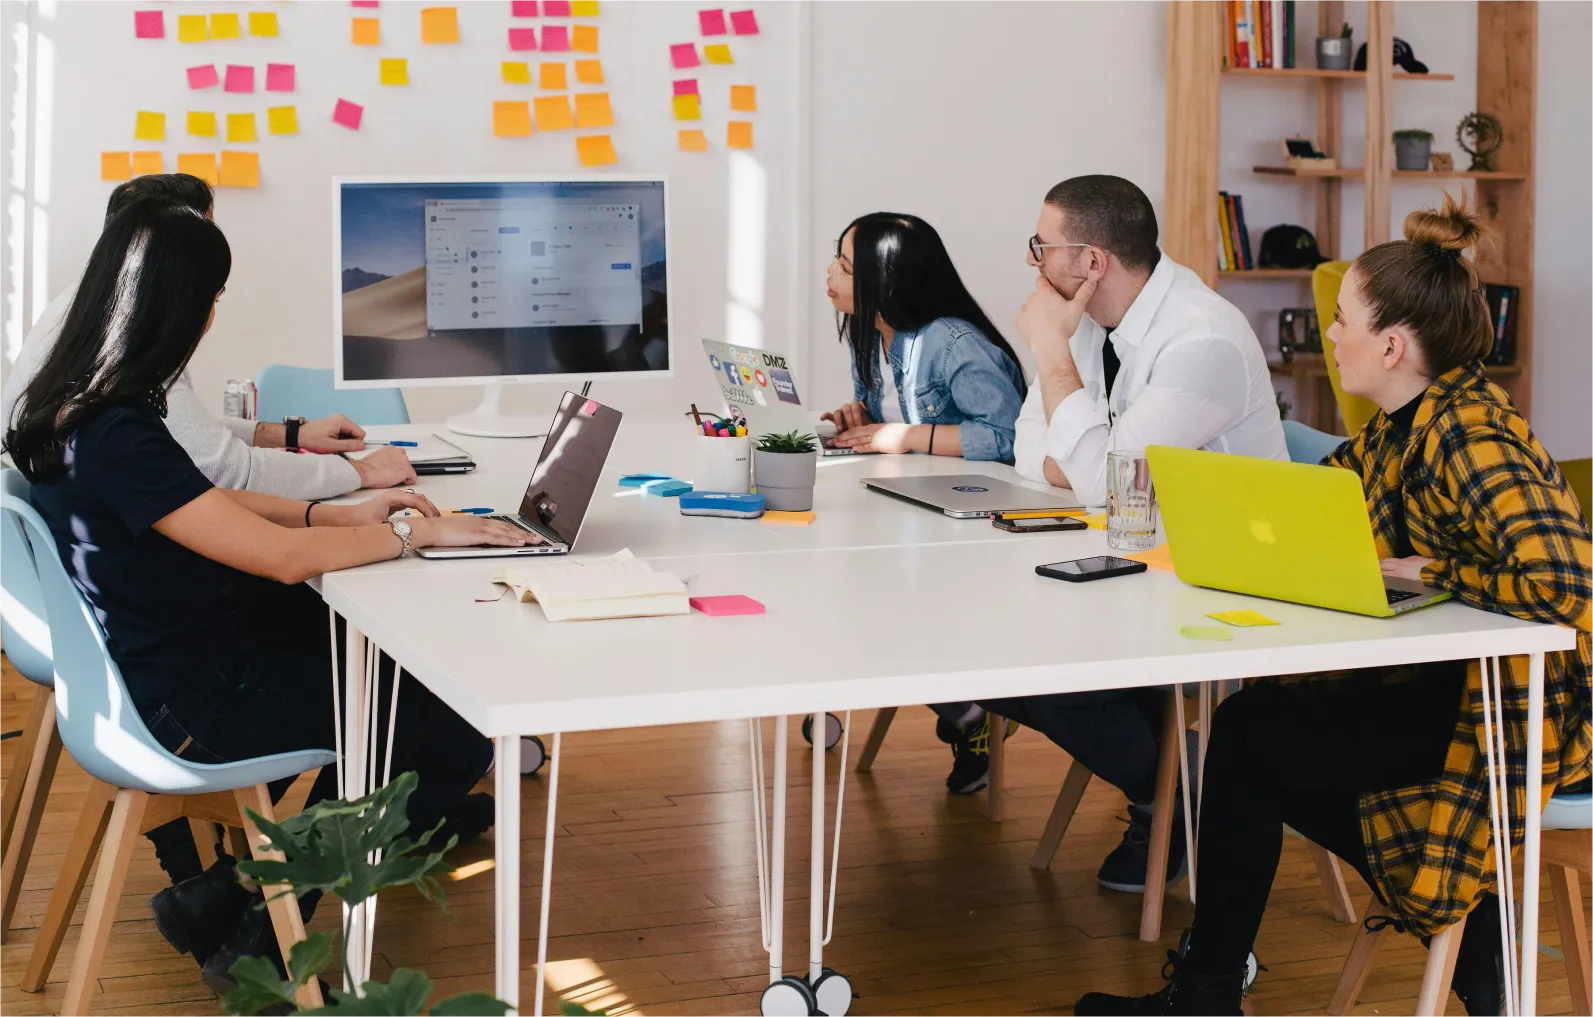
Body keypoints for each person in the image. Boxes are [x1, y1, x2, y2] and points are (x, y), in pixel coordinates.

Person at [1075, 193, 1593, 1017]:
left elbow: (1570, 582)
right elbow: (1319, 505)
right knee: (1255, 736)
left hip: (1514, 706)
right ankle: (1471, 945)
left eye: (1342, 320)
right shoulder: (1398, 426)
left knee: (1251, 739)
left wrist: (1432, 566)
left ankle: (1228, 992)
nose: (1329, 333)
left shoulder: (1469, 432)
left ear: (1390, 344)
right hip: (1448, 681)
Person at [2, 201, 538, 990]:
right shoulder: (121, 430)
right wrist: (410, 535)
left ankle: (230, 893)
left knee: (389, 686)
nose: (216, 314)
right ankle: (251, 924)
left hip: (153, 669)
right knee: (441, 724)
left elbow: (217, 508)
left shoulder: (73, 409)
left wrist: (341, 511)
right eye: (214, 298)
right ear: (184, 305)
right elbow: (283, 558)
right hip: (189, 706)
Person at [932, 177, 1289, 896]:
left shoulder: (1202, 341)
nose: (1034, 265)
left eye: (1043, 247)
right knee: (987, 658)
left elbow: (1097, 474)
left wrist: (1050, 357)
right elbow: (1030, 447)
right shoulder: (1093, 323)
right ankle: (1171, 780)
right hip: (1131, 556)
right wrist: (1089, 454)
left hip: (1213, 576)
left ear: (1089, 261)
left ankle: (1181, 797)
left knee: (1050, 675)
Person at [0, 173, 415, 499]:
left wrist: (291, 435)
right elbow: (225, 471)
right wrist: (358, 472)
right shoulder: (127, 337)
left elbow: (176, 431)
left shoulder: (84, 310)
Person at [821, 213, 1026, 461]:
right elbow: (896, 419)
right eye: (837, 260)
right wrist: (866, 421)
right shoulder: (867, 333)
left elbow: (1007, 437)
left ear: (886, 284)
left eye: (845, 267)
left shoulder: (953, 343)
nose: (831, 271)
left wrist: (906, 437)